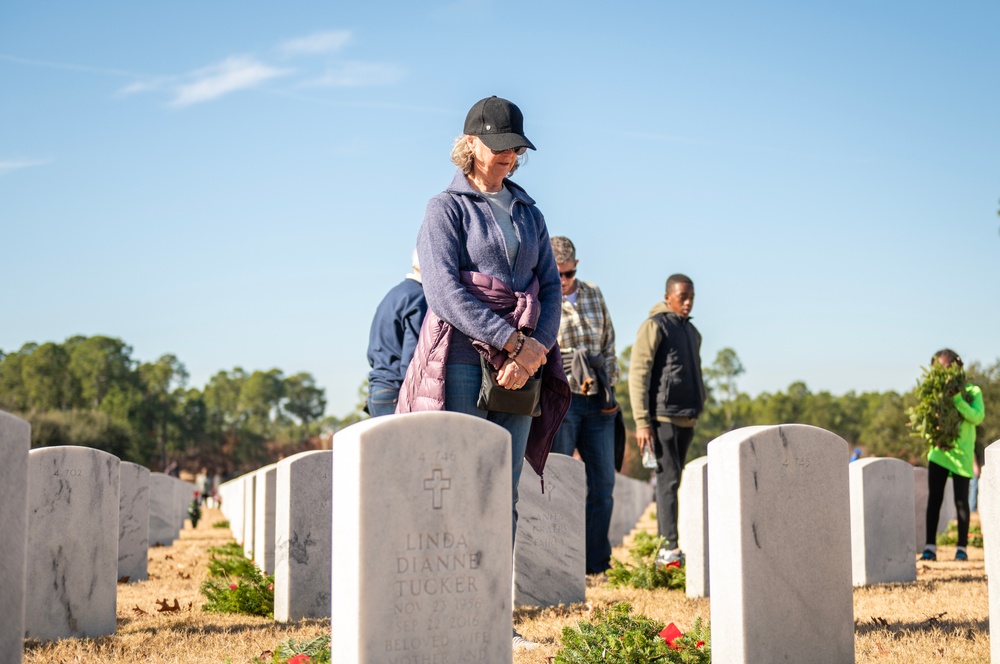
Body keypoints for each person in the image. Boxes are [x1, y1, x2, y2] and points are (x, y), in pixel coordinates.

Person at [396, 95, 570, 652]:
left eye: (516, 149)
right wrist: (507, 341)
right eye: (499, 148)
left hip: (523, 369)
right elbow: (444, 292)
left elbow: (548, 288)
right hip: (465, 363)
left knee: (503, 493)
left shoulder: (530, 212)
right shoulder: (444, 209)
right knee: (456, 487)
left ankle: (496, 615)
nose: (508, 158)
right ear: (469, 144)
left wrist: (534, 351)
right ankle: (443, 609)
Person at [548, 236, 619, 575]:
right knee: (559, 483)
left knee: (603, 483)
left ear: (577, 267)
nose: (563, 281)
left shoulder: (593, 293)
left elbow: (608, 344)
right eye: (557, 274)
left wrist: (608, 385)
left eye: (569, 274)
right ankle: (559, 561)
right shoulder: (540, 296)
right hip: (564, 401)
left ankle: (595, 564)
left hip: (598, 404)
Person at [628, 273, 706, 566]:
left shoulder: (692, 332)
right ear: (667, 297)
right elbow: (639, 374)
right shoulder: (654, 326)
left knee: (676, 480)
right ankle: (668, 549)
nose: (687, 303)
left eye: (691, 298)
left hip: (687, 417)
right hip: (661, 416)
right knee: (667, 479)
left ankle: (672, 544)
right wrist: (642, 421)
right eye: (682, 298)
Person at [919, 349, 985, 562]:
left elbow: (977, 417)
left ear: (956, 366)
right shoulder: (933, 391)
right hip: (940, 452)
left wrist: (957, 399)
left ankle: (962, 549)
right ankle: (929, 547)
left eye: (946, 367)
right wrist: (934, 438)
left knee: (961, 501)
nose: (943, 372)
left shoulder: (972, 391)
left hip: (962, 453)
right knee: (935, 499)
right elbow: (927, 418)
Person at [366, 250, 427, 416]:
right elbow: (412, 358)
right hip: (395, 391)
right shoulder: (418, 297)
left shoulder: (394, 294)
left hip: (376, 389)